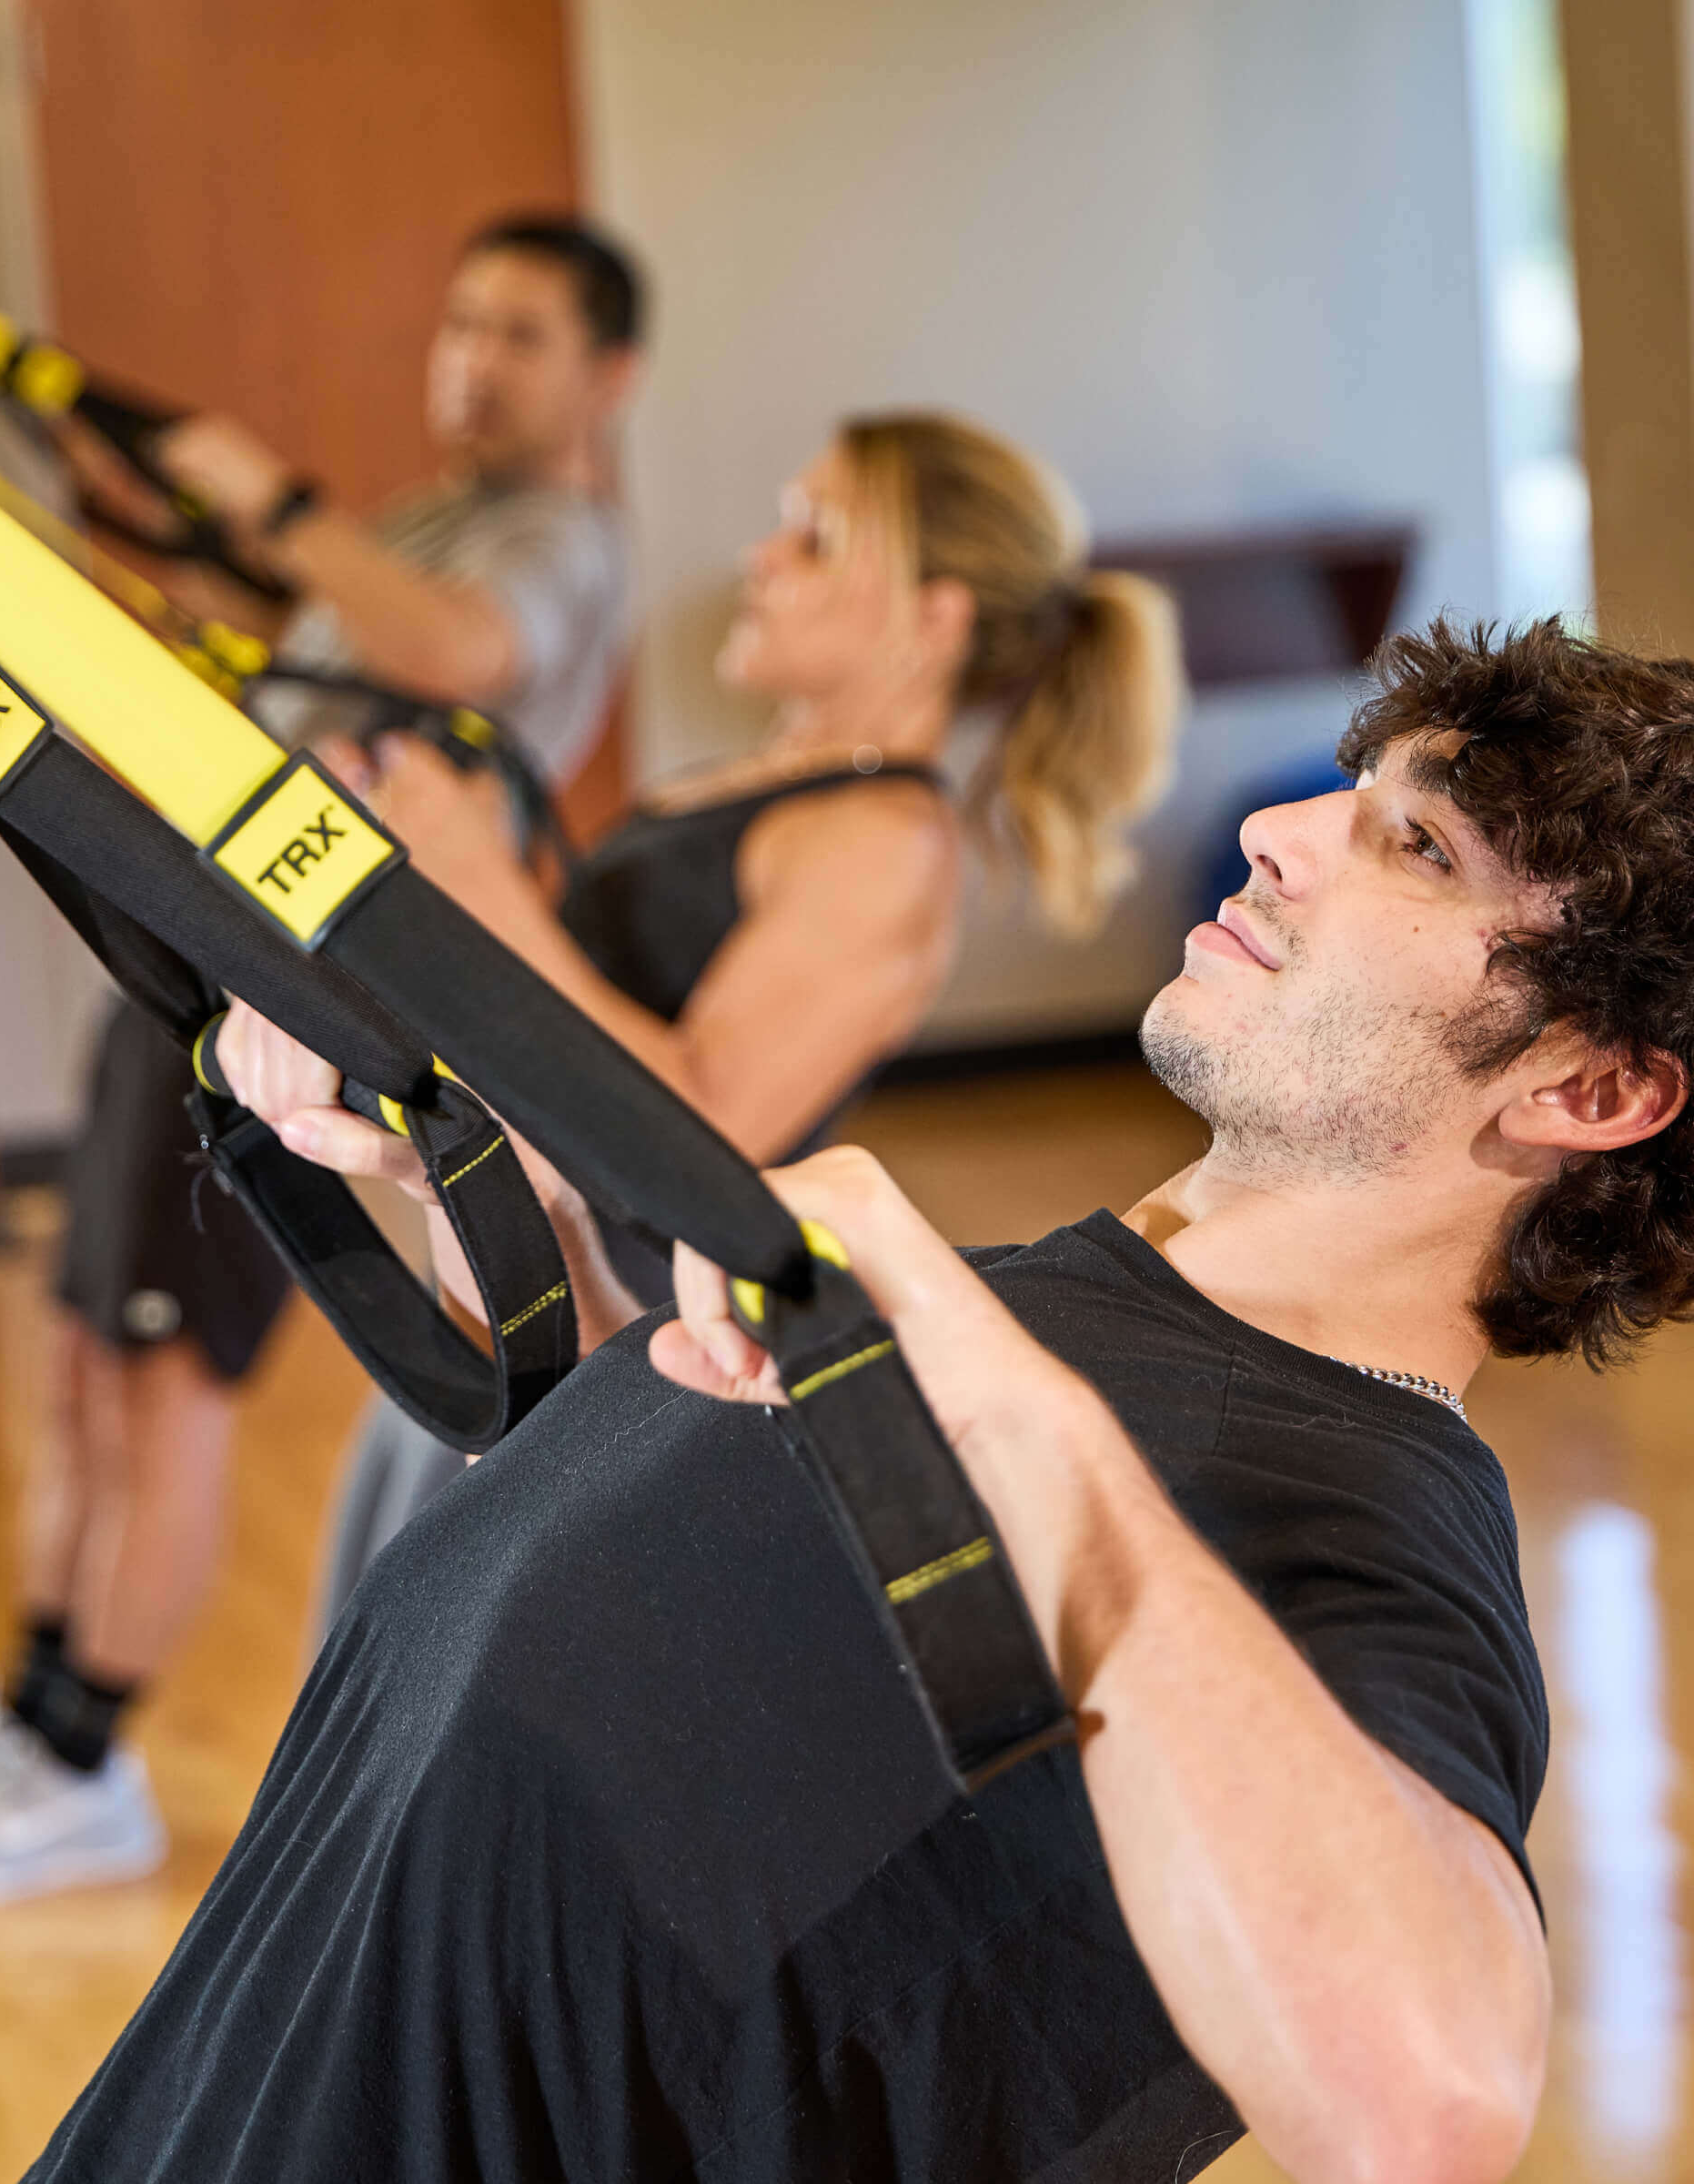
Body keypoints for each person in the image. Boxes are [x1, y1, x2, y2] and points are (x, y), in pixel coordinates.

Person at [23, 618, 1694, 2180]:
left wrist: (993, 1391)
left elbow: (1426, 2097)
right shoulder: (1049, 1310)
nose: (1275, 831)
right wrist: (482, 1189)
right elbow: (715, 1599)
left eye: (1418, 849)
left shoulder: (1354, 1516)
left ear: (1589, 1091)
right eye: (1349, 792)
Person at [0, 213, 647, 1910]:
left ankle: (86, 1765)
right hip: (196, 962)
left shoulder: (559, 544)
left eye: (521, 333)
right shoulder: (426, 520)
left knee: (166, 1371)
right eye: (461, 323)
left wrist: (260, 492)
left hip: (294, 1012)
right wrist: (23, 468)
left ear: (608, 374)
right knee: (85, 1360)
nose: (473, 362)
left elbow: (448, 653)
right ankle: (34, 1721)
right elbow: (259, 635)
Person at [305, 409, 1182, 1620]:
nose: (762, 562)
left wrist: (481, 880)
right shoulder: (777, 782)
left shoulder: (886, 843)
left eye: (814, 538)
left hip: (608, 1330)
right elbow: (578, 995)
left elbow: (703, 1120)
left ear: (935, 617)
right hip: (500, 1264)